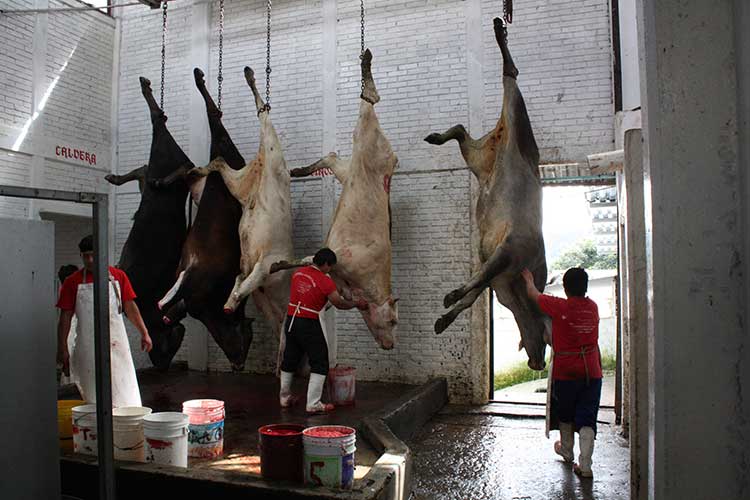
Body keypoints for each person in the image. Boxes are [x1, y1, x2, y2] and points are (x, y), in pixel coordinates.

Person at [521, 266, 601, 479]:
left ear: (565, 288)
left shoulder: (559, 307)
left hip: (566, 372)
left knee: (565, 413)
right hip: (592, 370)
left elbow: (533, 295)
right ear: (585, 287)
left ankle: (566, 450)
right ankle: (585, 466)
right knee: (587, 417)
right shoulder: (593, 307)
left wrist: (528, 279)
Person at [56, 235, 152, 407]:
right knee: (93, 396)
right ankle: (96, 430)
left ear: (102, 254)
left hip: (117, 345)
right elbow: (65, 317)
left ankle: (125, 426)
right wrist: (62, 347)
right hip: (87, 347)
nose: (90, 260)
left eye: (93, 255)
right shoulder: (72, 282)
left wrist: (144, 333)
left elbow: (130, 308)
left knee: (124, 390)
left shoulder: (118, 277)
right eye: (85, 256)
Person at [279, 248, 368, 413]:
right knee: (320, 362)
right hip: (308, 322)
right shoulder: (324, 280)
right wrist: (356, 303)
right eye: (330, 267)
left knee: (290, 358)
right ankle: (313, 404)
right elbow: (338, 303)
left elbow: (307, 294)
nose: (330, 270)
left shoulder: (298, 274)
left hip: (291, 320)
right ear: (326, 264)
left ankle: (284, 397)